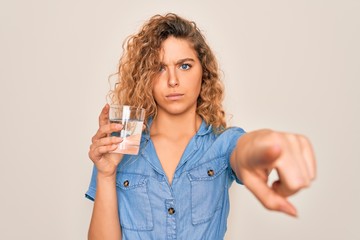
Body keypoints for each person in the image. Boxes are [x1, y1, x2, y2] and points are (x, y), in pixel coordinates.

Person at [86, 13, 316, 240]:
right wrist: (106, 175)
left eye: (184, 66)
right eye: (159, 68)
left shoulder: (221, 144)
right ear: (145, 77)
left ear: (203, 72)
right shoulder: (120, 145)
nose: (173, 80)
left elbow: (244, 148)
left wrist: (267, 143)